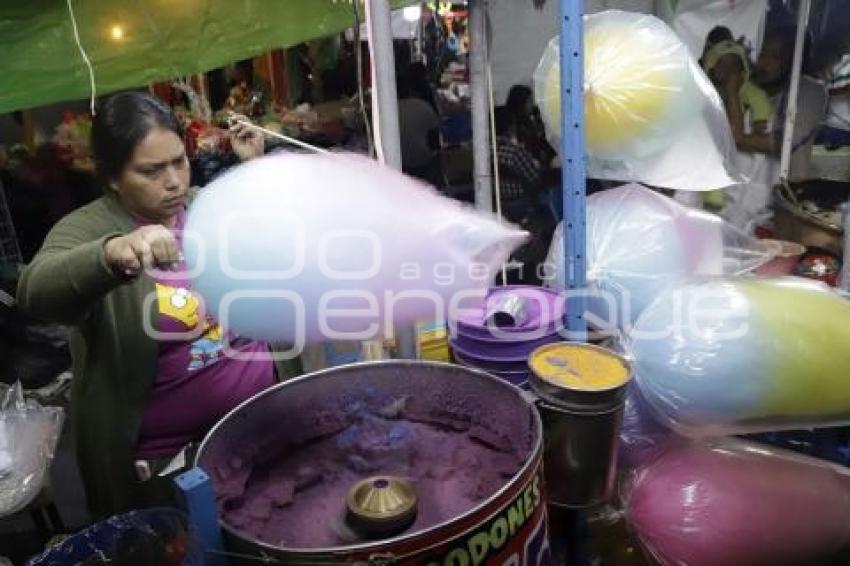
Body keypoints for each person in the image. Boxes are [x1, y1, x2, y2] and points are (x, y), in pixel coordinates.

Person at [16, 91, 300, 518]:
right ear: (111, 177)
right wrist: (112, 254)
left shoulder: (205, 206)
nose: (173, 181)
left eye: (179, 161)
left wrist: (252, 171)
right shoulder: (91, 228)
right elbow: (35, 291)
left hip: (257, 428)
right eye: (151, 171)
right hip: (169, 469)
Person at [715, 25, 827, 228]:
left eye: (775, 57)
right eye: (763, 54)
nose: (764, 63)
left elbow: (782, 142)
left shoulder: (809, 91)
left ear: (795, 61)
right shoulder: (752, 90)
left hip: (775, 213)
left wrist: (738, 136)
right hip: (733, 206)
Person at [397, 69, 442, 186]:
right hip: (422, 161)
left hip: (397, 163)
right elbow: (435, 141)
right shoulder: (423, 106)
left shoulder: (383, 112)